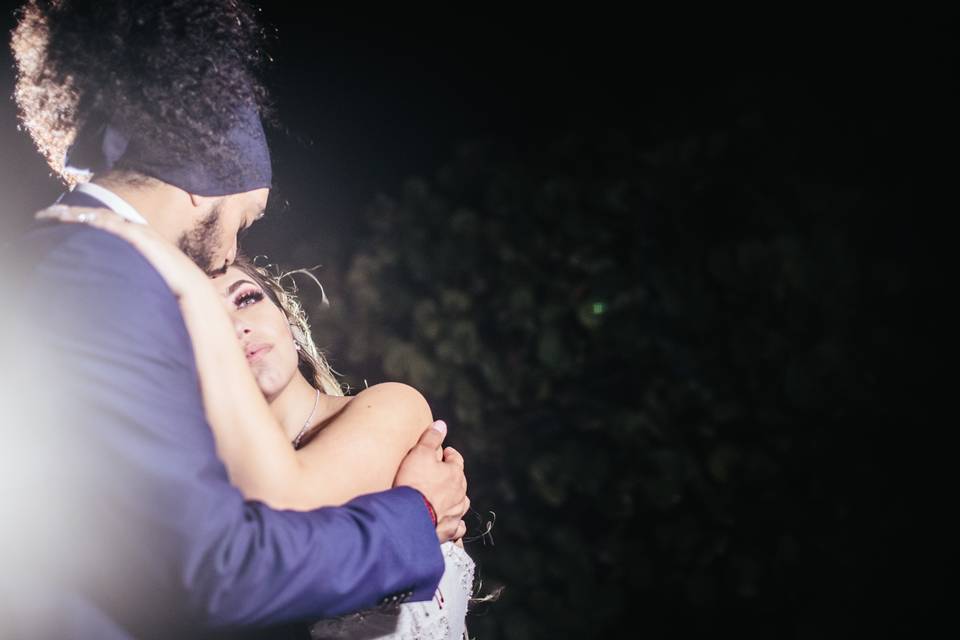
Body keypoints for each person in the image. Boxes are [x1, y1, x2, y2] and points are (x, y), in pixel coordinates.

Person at [1, 1, 468, 637]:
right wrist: (414, 515)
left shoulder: (70, 261)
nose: (225, 256)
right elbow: (221, 571)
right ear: (202, 176)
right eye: (243, 219)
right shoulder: (102, 273)